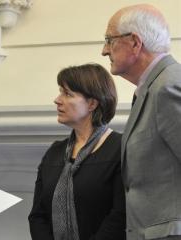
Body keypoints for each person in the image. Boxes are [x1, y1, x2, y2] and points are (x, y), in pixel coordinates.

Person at [102, 4, 181, 240]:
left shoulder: (168, 86)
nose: (104, 50)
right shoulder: (153, 87)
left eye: (109, 40)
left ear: (135, 43)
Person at [28, 63, 126, 240]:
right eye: (60, 92)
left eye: (67, 94)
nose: (57, 100)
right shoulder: (55, 152)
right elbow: (37, 215)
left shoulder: (120, 148)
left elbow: (120, 216)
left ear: (92, 103)